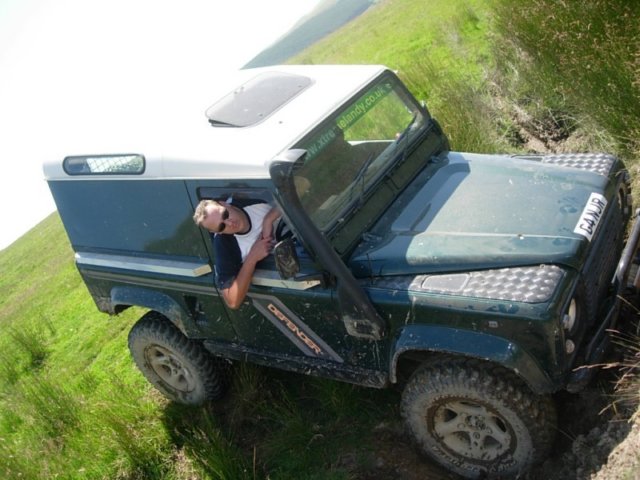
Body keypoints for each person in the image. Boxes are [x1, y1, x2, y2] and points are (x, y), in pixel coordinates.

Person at [193, 198, 281, 309]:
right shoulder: (225, 245)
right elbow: (232, 301)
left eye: (225, 214)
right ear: (217, 232)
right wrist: (252, 258)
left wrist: (269, 219)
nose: (230, 223)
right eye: (221, 226)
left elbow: (294, 193)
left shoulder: (248, 198)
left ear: (225, 204)